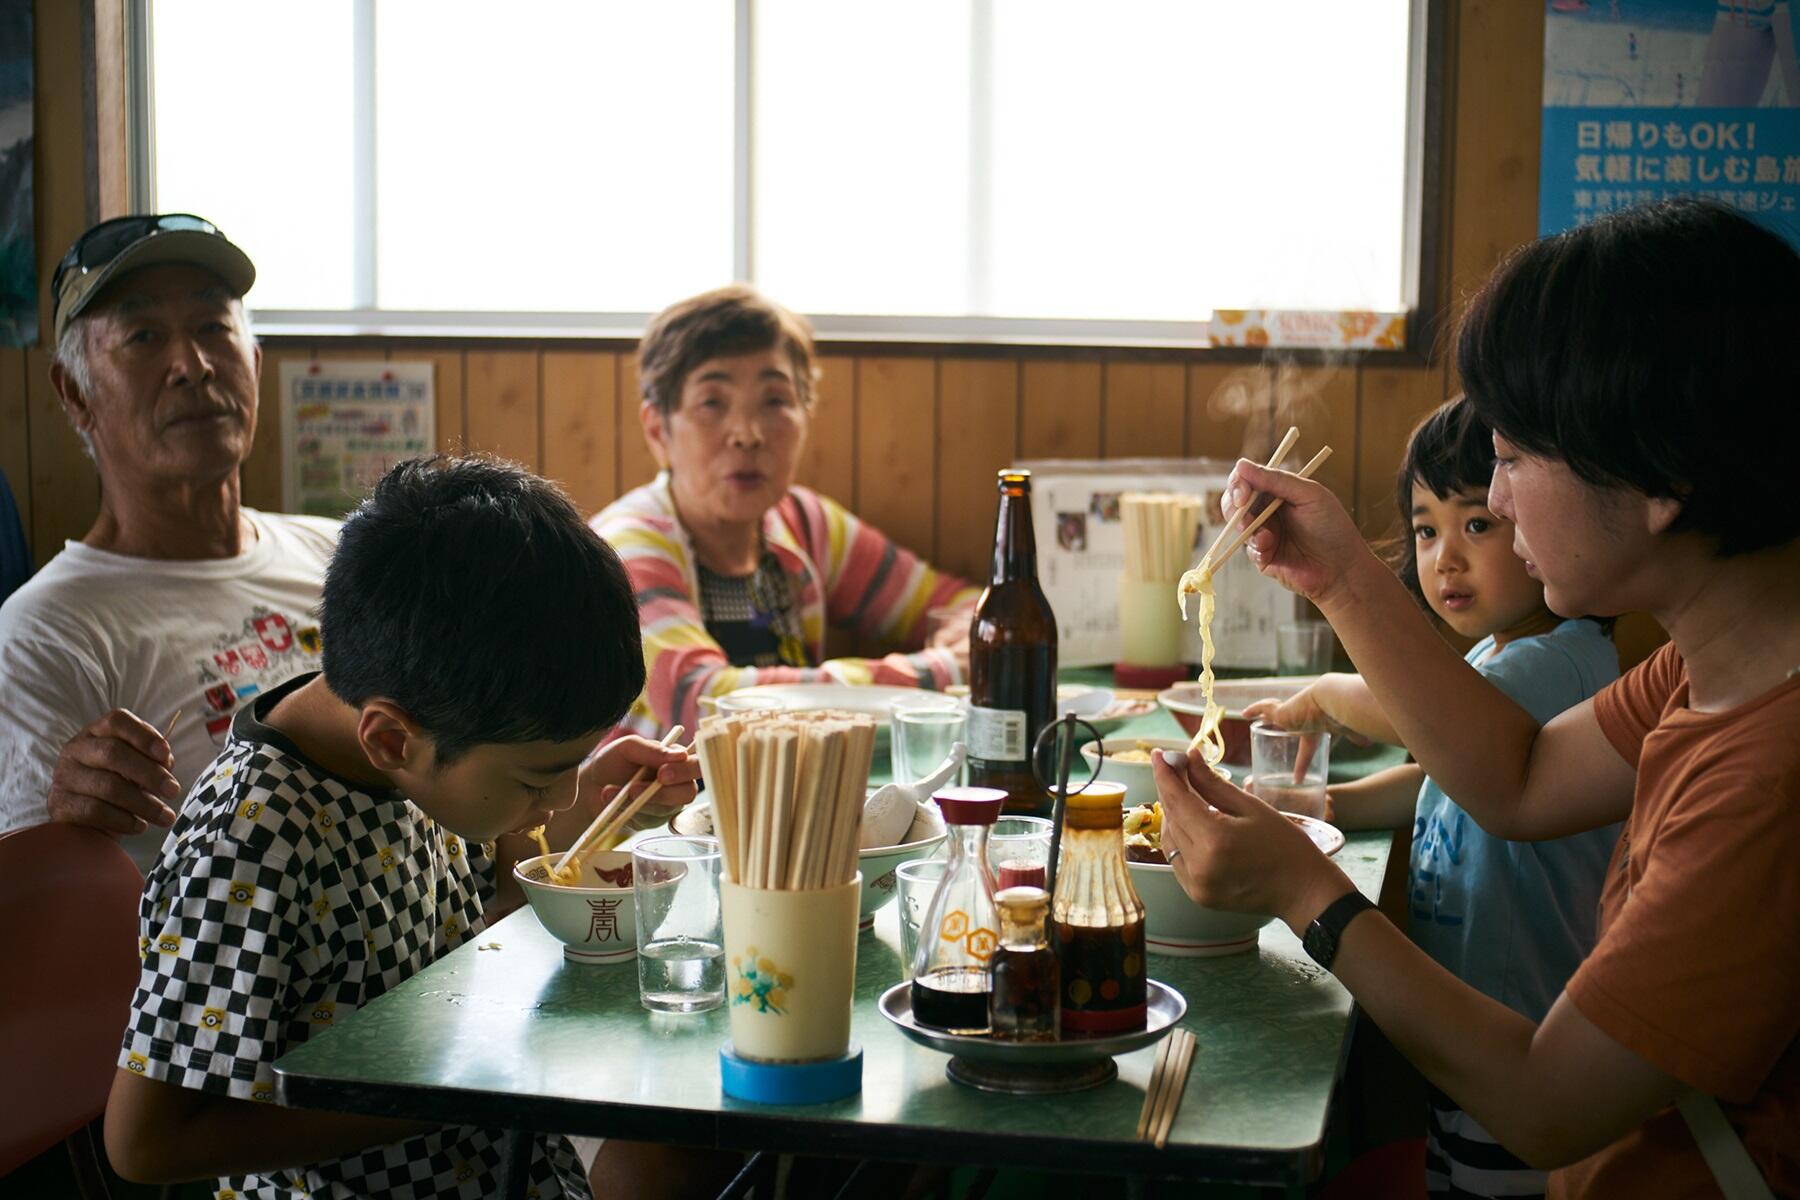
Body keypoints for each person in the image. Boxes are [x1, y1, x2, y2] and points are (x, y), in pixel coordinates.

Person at [1153, 198, 1798, 1196]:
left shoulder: (1769, 780)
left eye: (1514, 458)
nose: (1495, 501)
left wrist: (1303, 890)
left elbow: (1548, 1101)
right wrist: (1340, 577)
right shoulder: (1714, 659)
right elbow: (1520, 775)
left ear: (1661, 475)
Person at [104, 455, 701, 1200]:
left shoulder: (412, 739)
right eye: (538, 777)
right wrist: (442, 1090)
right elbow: (145, 1141)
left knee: (681, 1152)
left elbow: (495, 884)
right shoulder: (250, 842)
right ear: (392, 739)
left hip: (501, 1160)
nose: (555, 800)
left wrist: (586, 800)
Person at [1244, 397, 1620, 1200]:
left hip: (1526, 1037)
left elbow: (1431, 717)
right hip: (1470, 1028)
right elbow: (1443, 775)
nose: (1445, 557)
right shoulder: (1497, 654)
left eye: (1477, 524)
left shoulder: (1559, 658)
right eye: (1424, 529)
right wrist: (1330, 808)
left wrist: (1328, 693)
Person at [0, 214, 337, 872]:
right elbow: (39, 921)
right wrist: (66, 824)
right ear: (75, 394)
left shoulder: (346, 557)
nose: (193, 365)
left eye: (214, 328)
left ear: (255, 364)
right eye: (144, 336)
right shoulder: (43, 636)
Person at [593, 285, 979, 740]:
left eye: (775, 401)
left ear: (805, 414)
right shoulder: (625, 547)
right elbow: (703, 700)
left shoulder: (803, 523)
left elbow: (961, 604)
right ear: (658, 429)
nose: (747, 434)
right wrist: (937, 670)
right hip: (653, 808)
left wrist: (969, 631)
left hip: (782, 803)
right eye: (711, 403)